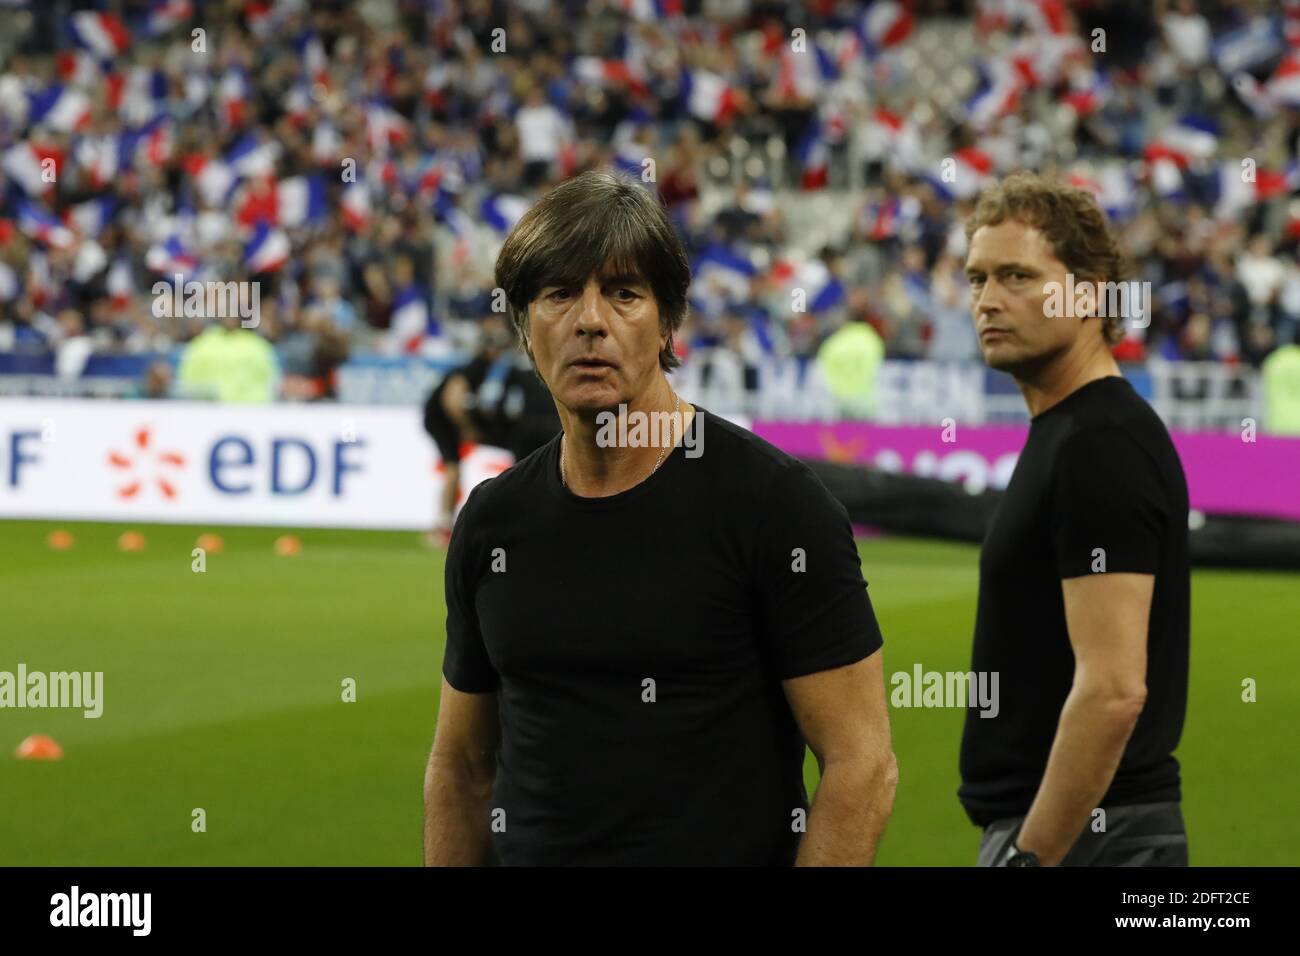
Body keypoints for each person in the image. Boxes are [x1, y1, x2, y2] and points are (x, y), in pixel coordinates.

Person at [424, 170, 897, 866]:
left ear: (668, 320)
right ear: (523, 324)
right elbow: (460, 768)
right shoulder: (492, 523)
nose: (590, 320)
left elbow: (863, 765)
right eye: (559, 294)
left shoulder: (775, 508)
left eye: (623, 293)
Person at [960, 173, 1190, 867]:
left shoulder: (1100, 443)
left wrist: (1031, 857)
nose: (988, 300)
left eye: (1017, 276)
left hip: (1093, 838)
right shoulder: (1071, 432)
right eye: (976, 279)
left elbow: (1114, 689)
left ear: (1088, 294)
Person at [421, 316, 513, 546]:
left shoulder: (477, 366)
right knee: (453, 470)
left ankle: (444, 524)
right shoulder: (477, 367)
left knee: (454, 470)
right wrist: (468, 428)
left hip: (438, 418)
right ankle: (443, 526)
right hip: (440, 420)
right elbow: (453, 399)